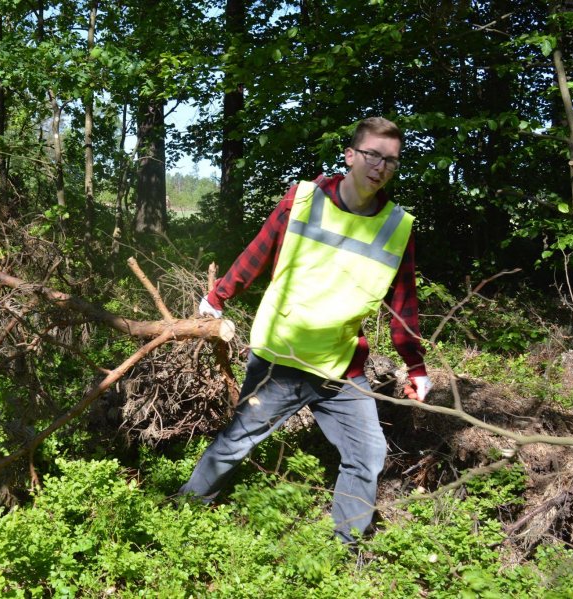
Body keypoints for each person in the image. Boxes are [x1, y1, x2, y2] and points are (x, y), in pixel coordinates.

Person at [181, 117, 432, 545]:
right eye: (372, 155)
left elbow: (404, 300)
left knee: (368, 454)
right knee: (235, 441)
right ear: (350, 155)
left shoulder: (397, 226)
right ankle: (183, 513)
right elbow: (258, 251)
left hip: (341, 365)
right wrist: (219, 296)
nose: (380, 166)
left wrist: (416, 365)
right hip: (282, 355)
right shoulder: (303, 199)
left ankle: (344, 546)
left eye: (391, 160)